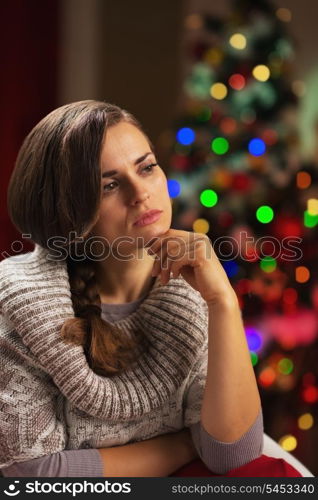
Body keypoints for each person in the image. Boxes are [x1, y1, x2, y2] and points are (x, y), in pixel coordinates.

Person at [0, 100, 267, 477]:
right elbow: (34, 475)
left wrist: (222, 302)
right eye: (109, 184)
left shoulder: (198, 288)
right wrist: (186, 444)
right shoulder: (18, 299)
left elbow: (232, 454)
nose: (140, 192)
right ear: (65, 210)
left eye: (147, 168)